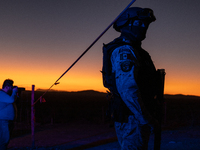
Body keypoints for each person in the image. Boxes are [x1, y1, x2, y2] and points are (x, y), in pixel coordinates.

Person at [102, 7, 159, 149]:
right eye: (139, 23)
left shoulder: (136, 50)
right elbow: (127, 88)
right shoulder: (125, 50)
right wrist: (144, 118)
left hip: (133, 115)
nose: (144, 27)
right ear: (127, 24)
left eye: (145, 24)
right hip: (132, 117)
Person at [0, 79, 18, 150]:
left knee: (5, 138)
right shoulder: (1, 94)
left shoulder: (5, 95)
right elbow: (11, 100)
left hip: (6, 120)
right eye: (11, 87)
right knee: (4, 139)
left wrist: (15, 93)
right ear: (7, 87)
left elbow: (13, 100)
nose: (12, 88)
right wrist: (14, 91)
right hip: (3, 120)